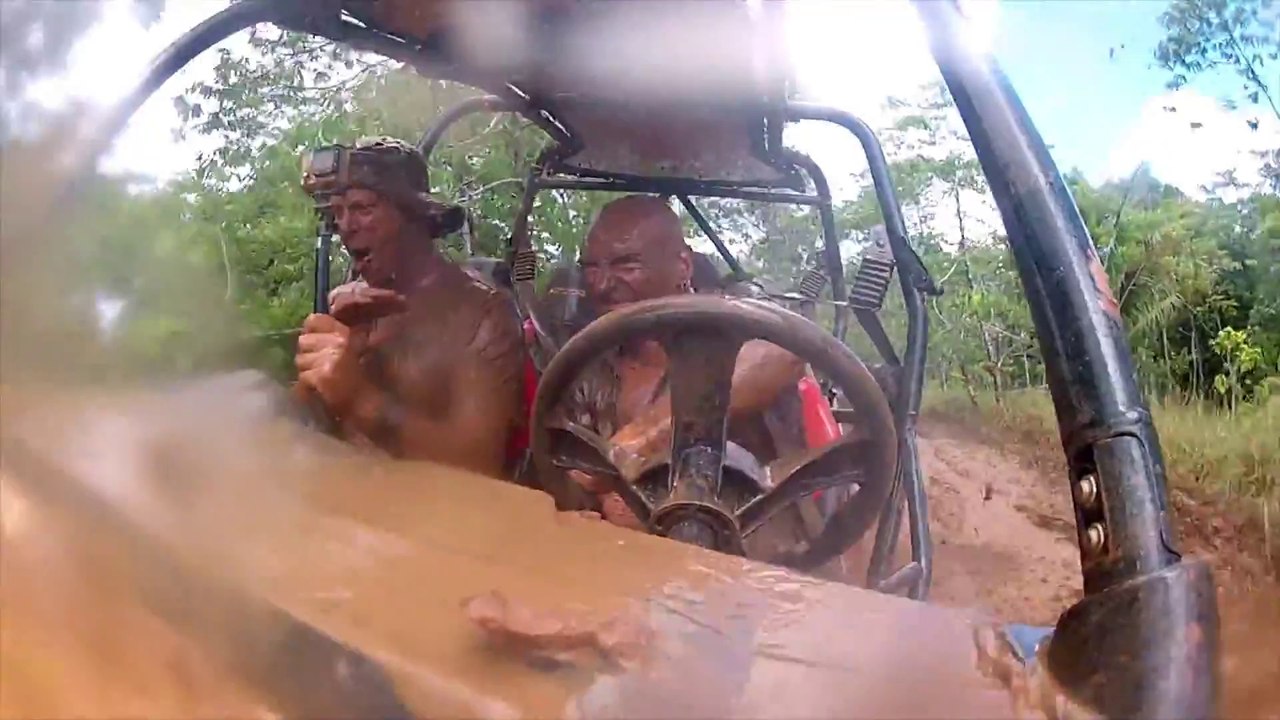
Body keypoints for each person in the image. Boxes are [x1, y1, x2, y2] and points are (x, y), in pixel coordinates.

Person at [553, 195, 813, 536]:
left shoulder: (735, 324)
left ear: (682, 266)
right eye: (591, 268)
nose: (601, 284)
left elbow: (781, 351)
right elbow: (571, 477)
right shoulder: (586, 365)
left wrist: (639, 441)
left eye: (627, 266)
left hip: (757, 549)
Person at [293, 137, 524, 480]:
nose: (346, 226)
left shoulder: (483, 314)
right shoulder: (348, 303)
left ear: (415, 215)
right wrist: (318, 377)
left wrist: (360, 400)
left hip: (433, 509)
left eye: (363, 208)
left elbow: (480, 467)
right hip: (347, 497)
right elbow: (302, 427)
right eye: (337, 212)